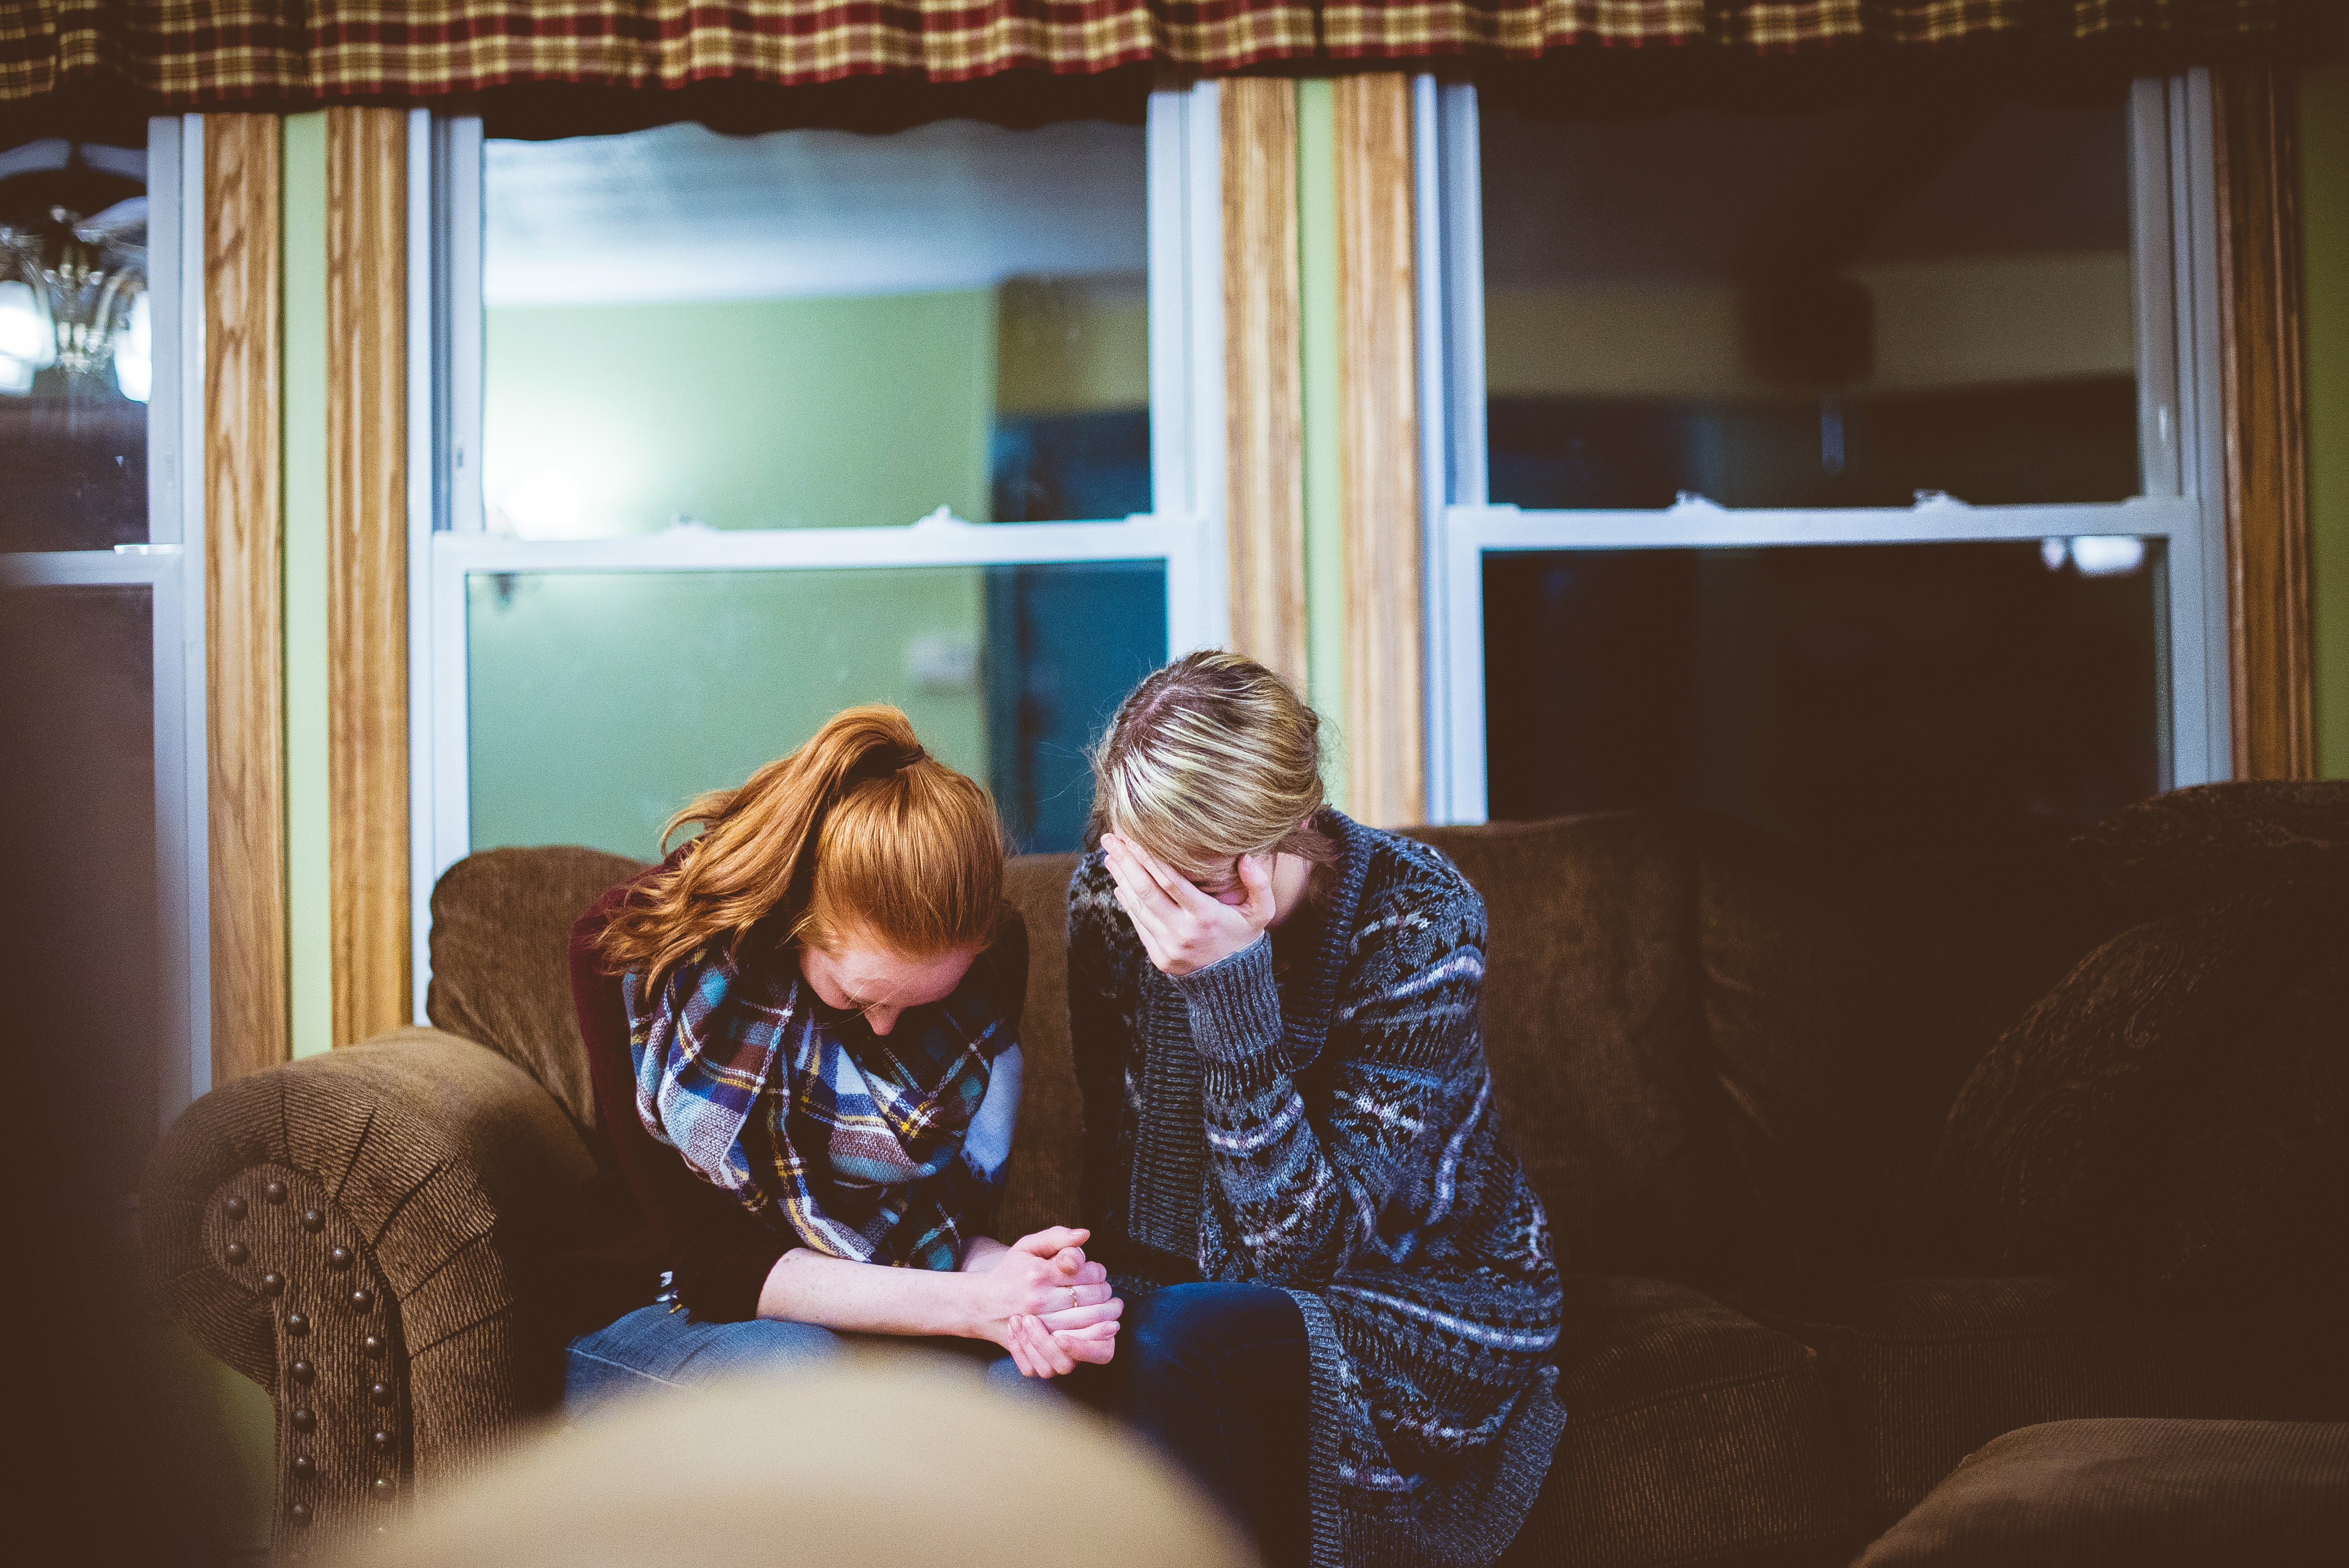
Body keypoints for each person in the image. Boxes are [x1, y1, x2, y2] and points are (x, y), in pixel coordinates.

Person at [1065, 652, 1567, 1568]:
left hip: (1424, 1292)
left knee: (1184, 1340)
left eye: (1202, 879)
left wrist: (1229, 991)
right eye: (1150, 872)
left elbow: (1298, 1257)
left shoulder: (1419, 919)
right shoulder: (1110, 899)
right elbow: (1127, 1179)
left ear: (1293, 828)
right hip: (1203, 1287)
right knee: (1065, 1351)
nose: (1166, 912)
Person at [557, 705, 1121, 1406]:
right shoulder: (631, 954)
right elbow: (712, 1264)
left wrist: (1027, 1283)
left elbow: (941, 1229)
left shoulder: (988, 962)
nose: (886, 1031)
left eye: (916, 1006)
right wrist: (977, 1307)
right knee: (803, 1373)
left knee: (1041, 1386)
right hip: (659, 1302)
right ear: (795, 919)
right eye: (857, 1000)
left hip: (876, 1301)